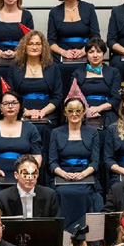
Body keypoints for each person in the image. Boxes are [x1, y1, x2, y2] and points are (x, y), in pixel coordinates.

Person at [49, 94, 103, 231]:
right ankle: (66, 237)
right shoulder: (56, 133)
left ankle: (84, 236)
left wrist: (83, 174)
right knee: (62, 194)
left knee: (88, 195)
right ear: (65, 112)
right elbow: (52, 162)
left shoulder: (93, 132)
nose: (74, 114)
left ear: (84, 112)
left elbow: (95, 161)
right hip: (63, 177)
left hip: (86, 176)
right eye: (70, 110)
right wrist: (64, 174)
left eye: (78, 110)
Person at [0, 91, 42, 205]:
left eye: (14, 103)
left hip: (24, 175)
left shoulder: (30, 128)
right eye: (6, 103)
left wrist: (29, 172)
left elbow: (37, 156)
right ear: (0, 108)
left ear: (20, 106)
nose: (10, 106)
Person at [10, 29, 63, 159]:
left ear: (43, 47)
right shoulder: (15, 67)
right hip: (21, 113)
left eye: (38, 44)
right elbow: (10, 95)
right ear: (24, 46)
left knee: (45, 131)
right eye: (31, 43)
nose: (34, 47)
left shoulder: (53, 67)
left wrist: (43, 112)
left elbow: (58, 96)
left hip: (47, 114)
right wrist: (25, 111)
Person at [48, 0, 100, 89]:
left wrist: (84, 51)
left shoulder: (89, 8)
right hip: (62, 56)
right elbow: (51, 41)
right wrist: (63, 52)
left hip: (86, 54)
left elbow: (96, 36)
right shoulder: (54, 12)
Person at [71, 37, 122, 128]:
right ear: (86, 54)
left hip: (107, 110)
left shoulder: (114, 72)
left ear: (103, 53)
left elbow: (116, 98)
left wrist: (99, 108)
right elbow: (73, 97)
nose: (95, 55)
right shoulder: (77, 73)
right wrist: (86, 111)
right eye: (91, 52)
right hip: (83, 111)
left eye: (98, 51)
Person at [0, 154, 59, 218]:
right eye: (25, 174)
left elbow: (56, 224)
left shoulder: (49, 195)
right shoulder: (2, 198)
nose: (30, 178)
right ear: (16, 175)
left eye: (34, 173)